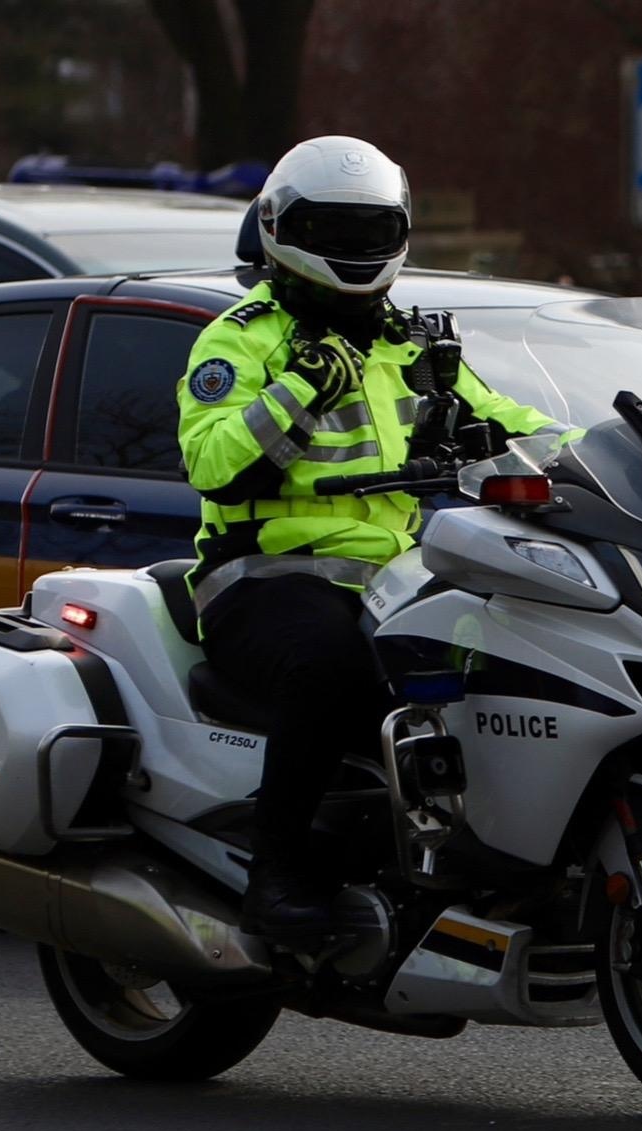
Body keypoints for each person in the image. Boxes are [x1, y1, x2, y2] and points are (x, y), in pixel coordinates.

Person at [176, 135, 555, 942]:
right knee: (329, 667)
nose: (352, 247)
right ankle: (275, 877)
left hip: (398, 580)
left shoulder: (412, 344)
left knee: (518, 666)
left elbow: (515, 423)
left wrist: (612, 453)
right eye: (330, 231)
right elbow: (212, 465)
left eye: (369, 231)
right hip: (265, 577)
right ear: (280, 230)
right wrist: (303, 386)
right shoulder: (243, 338)